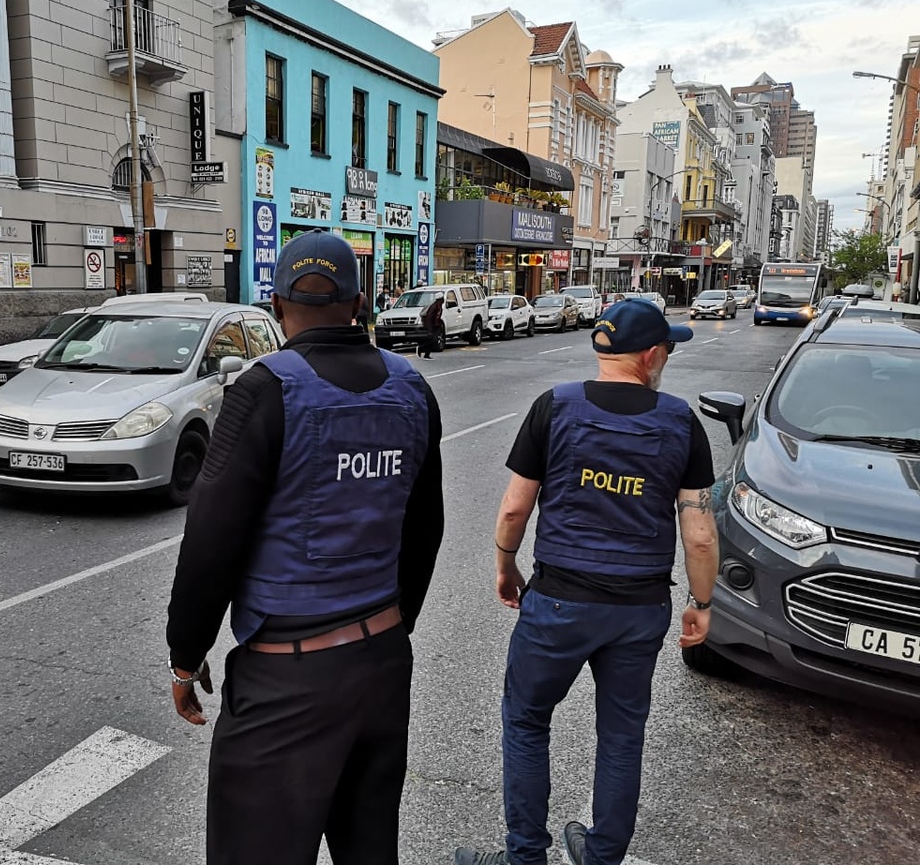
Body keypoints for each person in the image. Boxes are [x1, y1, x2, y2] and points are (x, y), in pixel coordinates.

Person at [166, 228, 444, 865]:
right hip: (380, 665)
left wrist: (187, 655)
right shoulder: (412, 390)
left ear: (278, 306)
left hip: (287, 680)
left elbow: (211, 537)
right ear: (359, 303)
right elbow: (424, 528)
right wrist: (388, 630)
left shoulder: (267, 389)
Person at [455, 299, 719, 865]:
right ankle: (601, 856)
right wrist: (702, 602)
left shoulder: (553, 407)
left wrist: (506, 567)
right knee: (622, 735)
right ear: (650, 355)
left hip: (558, 602)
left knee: (527, 722)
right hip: (639, 607)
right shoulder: (680, 421)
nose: (667, 357)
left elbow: (513, 511)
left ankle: (525, 856)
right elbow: (698, 533)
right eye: (667, 348)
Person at [419, 292, 444, 359]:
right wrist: (430, 330)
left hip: (436, 326)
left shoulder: (439, 306)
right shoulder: (434, 307)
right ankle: (420, 349)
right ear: (440, 299)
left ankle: (426, 354)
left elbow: (437, 317)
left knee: (432, 341)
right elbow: (429, 318)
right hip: (431, 326)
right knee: (433, 340)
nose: (443, 300)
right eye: (442, 298)